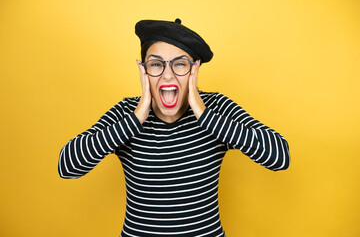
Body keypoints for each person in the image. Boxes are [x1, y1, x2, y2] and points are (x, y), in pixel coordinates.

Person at [58, 18, 290, 237]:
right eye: (156, 64)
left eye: (180, 64)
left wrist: (204, 114)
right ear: (144, 71)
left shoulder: (216, 108)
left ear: (194, 69)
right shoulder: (127, 113)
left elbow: (280, 156)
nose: (167, 74)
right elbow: (67, 166)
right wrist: (137, 117)